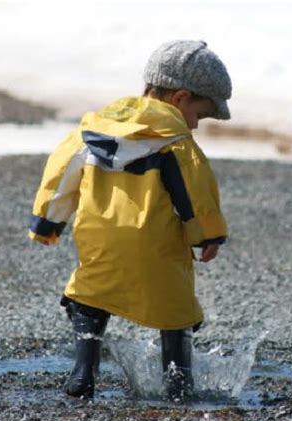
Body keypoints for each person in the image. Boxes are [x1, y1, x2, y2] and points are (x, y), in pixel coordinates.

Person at [29, 40, 231, 400]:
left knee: (88, 297)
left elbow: (59, 175)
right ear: (181, 98)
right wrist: (207, 236)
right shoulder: (176, 144)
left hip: (99, 243)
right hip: (157, 247)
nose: (196, 125)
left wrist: (48, 222)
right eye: (199, 113)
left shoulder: (92, 132)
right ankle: (179, 383)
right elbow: (195, 193)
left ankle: (82, 375)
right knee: (177, 310)